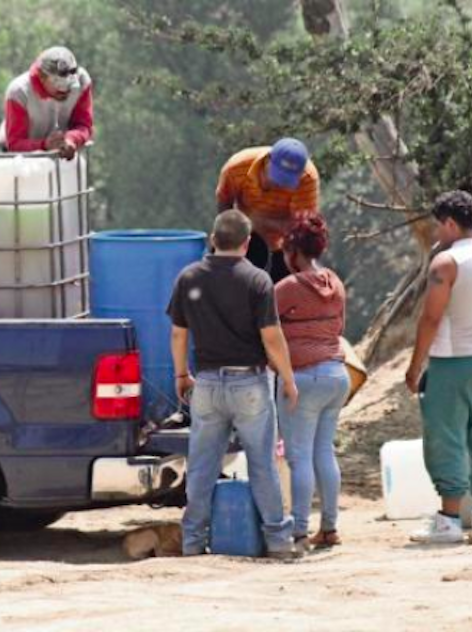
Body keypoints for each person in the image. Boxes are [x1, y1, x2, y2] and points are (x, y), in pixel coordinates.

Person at [167, 209, 300, 559]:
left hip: (207, 384)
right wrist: (287, 377)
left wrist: (182, 374)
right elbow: (272, 338)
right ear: (246, 244)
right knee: (262, 464)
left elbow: (179, 334)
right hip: (250, 384)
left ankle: (193, 541)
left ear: (213, 240)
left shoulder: (189, 278)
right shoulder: (257, 281)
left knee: (202, 466)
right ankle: (278, 542)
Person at [405, 191, 472, 544]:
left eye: (439, 226)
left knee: (445, 437)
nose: (438, 234)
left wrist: (415, 365)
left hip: (452, 361)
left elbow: (431, 318)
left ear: (450, 223)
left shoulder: (446, 264)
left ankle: (449, 519)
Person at [274, 215, 350, 550]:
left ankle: (300, 532)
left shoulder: (287, 288)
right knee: (324, 453)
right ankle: (330, 528)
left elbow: (265, 328)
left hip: (302, 379)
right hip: (336, 375)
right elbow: (339, 328)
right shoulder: (336, 283)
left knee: (299, 457)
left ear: (292, 251)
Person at [215, 138, 320, 282]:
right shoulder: (236, 167)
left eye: (286, 180)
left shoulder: (306, 178)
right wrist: (232, 239)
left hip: (285, 248)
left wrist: (260, 221)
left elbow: (301, 230)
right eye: (277, 175)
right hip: (244, 237)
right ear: (268, 159)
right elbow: (224, 203)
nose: (279, 183)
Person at [0, 46, 93, 160]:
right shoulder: (18, 92)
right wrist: (44, 145)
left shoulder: (82, 82)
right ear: (42, 77)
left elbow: (84, 125)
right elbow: (15, 144)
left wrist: (71, 139)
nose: (65, 90)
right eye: (58, 84)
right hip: (24, 165)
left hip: (63, 163)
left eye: (70, 84)